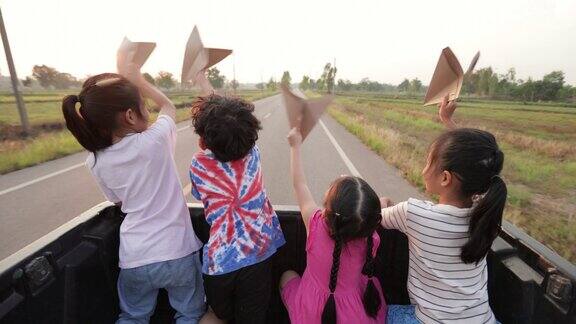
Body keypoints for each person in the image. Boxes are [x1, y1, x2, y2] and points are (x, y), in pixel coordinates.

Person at [62, 66, 204, 324]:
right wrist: (139, 79)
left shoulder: (95, 162)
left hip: (134, 258)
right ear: (129, 115)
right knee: (190, 315)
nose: (148, 111)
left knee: (132, 317)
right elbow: (168, 106)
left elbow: (117, 201)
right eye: (144, 106)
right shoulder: (154, 141)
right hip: (177, 252)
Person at [382, 96, 506, 324]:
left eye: (428, 162)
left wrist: (382, 203)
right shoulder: (485, 212)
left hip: (430, 321)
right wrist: (448, 122)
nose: (423, 169)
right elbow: (480, 169)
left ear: (445, 178)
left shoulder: (413, 214)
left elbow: (375, 217)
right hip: (484, 320)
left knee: (377, 313)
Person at [188, 94, 286, 324]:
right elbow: (232, 127)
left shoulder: (198, 164)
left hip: (219, 266)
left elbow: (200, 195)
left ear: (203, 142)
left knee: (215, 316)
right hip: (258, 257)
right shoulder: (254, 155)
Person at [280, 127, 387, 324]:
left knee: (287, 275)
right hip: (354, 312)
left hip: (312, 309)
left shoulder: (315, 225)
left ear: (328, 212)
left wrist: (295, 147)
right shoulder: (371, 238)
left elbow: (299, 185)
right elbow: (364, 215)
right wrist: (381, 203)